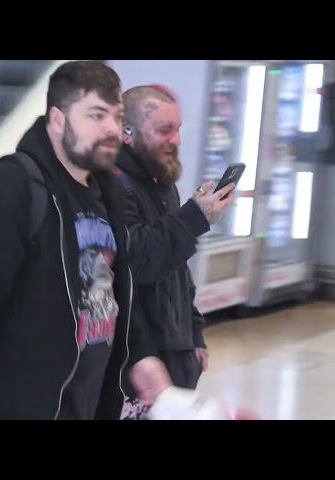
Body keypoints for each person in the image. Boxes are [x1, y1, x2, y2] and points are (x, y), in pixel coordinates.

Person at [0, 61, 170, 420]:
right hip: (23, 403)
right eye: (96, 115)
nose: (112, 129)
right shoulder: (11, 187)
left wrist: (139, 353)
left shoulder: (106, 189)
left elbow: (112, 287)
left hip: (87, 400)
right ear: (58, 119)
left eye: (116, 115)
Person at [114, 84, 235, 419]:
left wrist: (194, 331)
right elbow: (137, 263)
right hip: (142, 362)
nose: (175, 141)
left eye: (177, 130)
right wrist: (194, 217)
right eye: (164, 130)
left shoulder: (162, 184)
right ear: (128, 131)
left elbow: (177, 268)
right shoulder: (114, 186)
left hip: (175, 352)